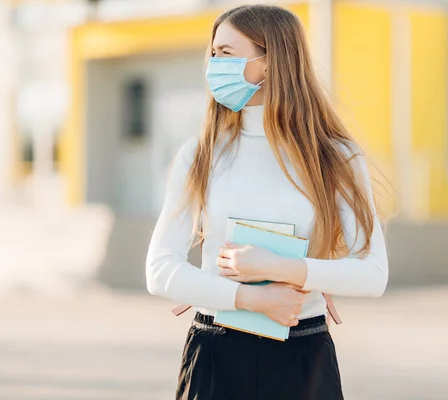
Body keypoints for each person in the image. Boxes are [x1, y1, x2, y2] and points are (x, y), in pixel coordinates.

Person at [146, 4, 388, 400]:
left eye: (226, 53)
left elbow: (373, 273)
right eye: (213, 54)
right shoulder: (200, 154)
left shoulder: (336, 157)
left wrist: (280, 268)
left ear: (271, 61)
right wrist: (251, 297)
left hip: (303, 358)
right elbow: (159, 269)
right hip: (215, 354)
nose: (213, 65)